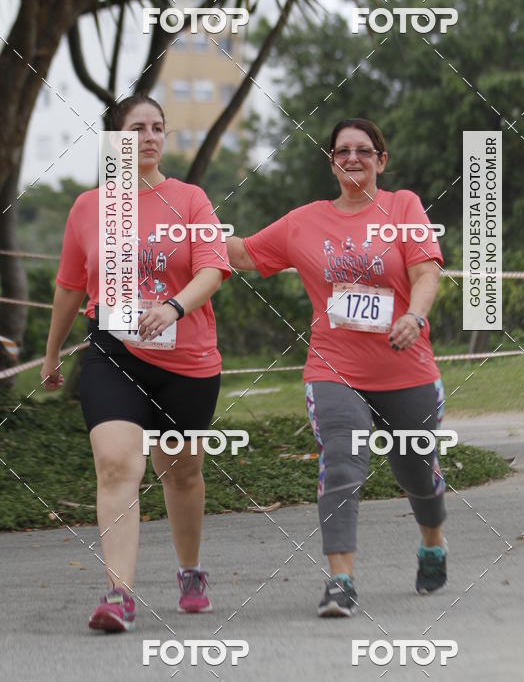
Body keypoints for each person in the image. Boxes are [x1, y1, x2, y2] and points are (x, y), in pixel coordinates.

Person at [227, 118, 448, 617]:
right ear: (331, 161)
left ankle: (433, 542)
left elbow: (425, 272)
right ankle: (341, 581)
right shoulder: (304, 221)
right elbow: (243, 253)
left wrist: (414, 315)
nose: (353, 158)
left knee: (416, 471)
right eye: (342, 151)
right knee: (342, 463)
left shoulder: (403, 207)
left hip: (405, 366)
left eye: (363, 151)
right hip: (334, 368)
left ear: (381, 161)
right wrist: (187, 230)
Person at [41, 94, 231, 632]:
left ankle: (190, 572)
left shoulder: (190, 200)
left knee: (182, 472)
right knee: (116, 464)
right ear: (115, 141)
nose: (149, 137)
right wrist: (52, 354)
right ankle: (118, 594)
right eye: (137, 129)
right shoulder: (88, 207)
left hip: (186, 357)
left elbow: (213, 268)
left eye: (157, 128)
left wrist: (173, 308)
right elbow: (69, 286)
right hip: (113, 350)